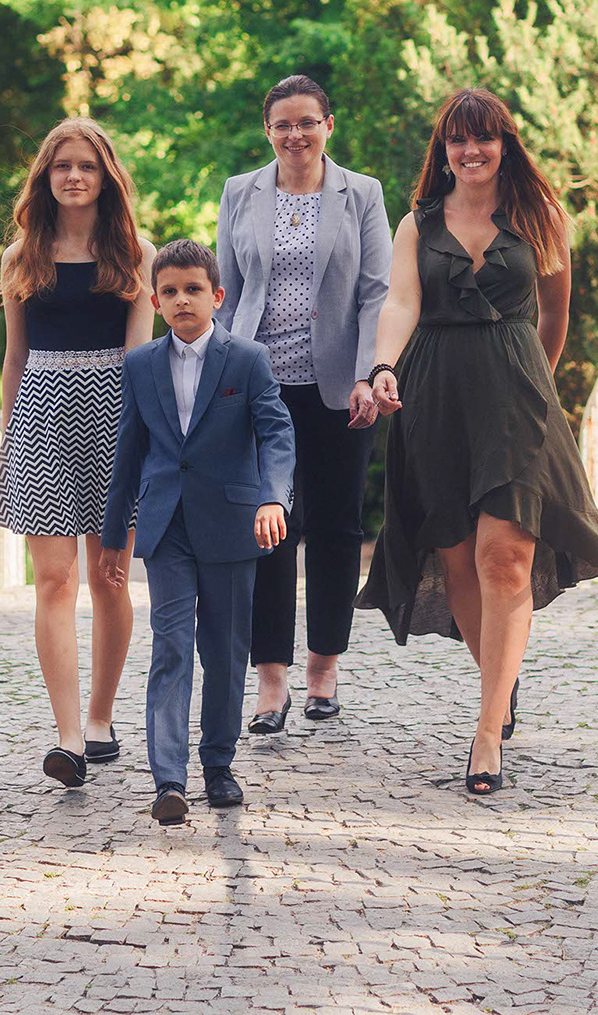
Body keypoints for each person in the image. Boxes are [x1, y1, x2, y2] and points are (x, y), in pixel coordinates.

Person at [358, 89, 598, 797]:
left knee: (504, 558)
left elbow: (556, 315)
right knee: (458, 562)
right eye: (457, 140)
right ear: (443, 151)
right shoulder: (417, 224)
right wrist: (382, 366)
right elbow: (401, 302)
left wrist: (534, 382)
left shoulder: (542, 216)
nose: (471, 151)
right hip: (434, 397)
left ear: (505, 144)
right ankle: (500, 686)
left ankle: (485, 732)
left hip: (514, 401)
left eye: (484, 138)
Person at [97, 241, 296, 824]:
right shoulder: (140, 365)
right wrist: (113, 537)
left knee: (226, 650)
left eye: (193, 289)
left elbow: (277, 434)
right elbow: (128, 452)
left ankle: (218, 765)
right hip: (166, 527)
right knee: (172, 645)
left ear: (217, 296)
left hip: (232, 523)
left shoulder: (248, 359)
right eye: (170, 292)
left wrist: (272, 497)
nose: (182, 300)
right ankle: (169, 779)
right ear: (155, 302)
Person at [216, 75, 391, 731]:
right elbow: (226, 295)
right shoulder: (240, 192)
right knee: (268, 527)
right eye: (283, 124)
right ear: (268, 131)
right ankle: (271, 681)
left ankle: (323, 670)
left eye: (307, 122)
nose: (295, 135)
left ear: (328, 125)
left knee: (337, 526)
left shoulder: (362, 193)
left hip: (340, 388)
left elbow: (377, 292)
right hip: (259, 386)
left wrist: (368, 373)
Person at [0, 119, 155, 788]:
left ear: (106, 176)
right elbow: (14, 357)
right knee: (54, 581)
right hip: (41, 420)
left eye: (86, 165)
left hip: (116, 419)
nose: (75, 176)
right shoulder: (21, 256)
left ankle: (100, 717)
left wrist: (145, 444)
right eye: (62, 166)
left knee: (110, 577)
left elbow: (141, 358)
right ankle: (66, 738)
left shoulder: (136, 255)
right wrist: (9, 441)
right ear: (45, 177)